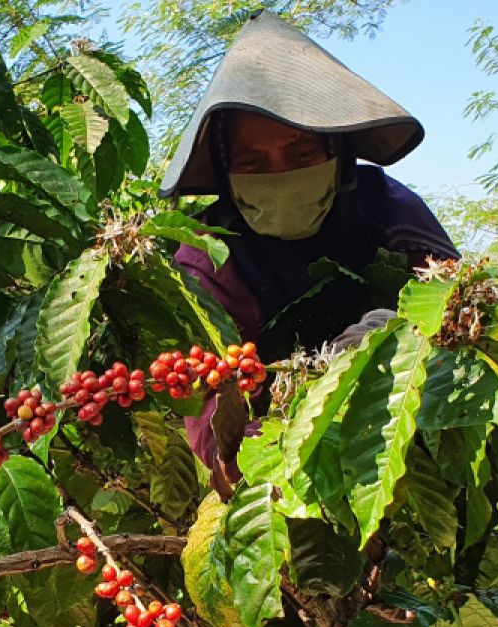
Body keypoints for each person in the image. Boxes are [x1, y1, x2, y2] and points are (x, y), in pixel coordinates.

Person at [159, 9, 460, 487]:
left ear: (337, 152)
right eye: (253, 162)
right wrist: (297, 431)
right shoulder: (208, 255)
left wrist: (407, 332)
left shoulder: (387, 209)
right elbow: (216, 434)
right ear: (225, 173)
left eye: (301, 155)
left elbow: (461, 308)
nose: (280, 175)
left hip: (410, 438)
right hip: (279, 466)